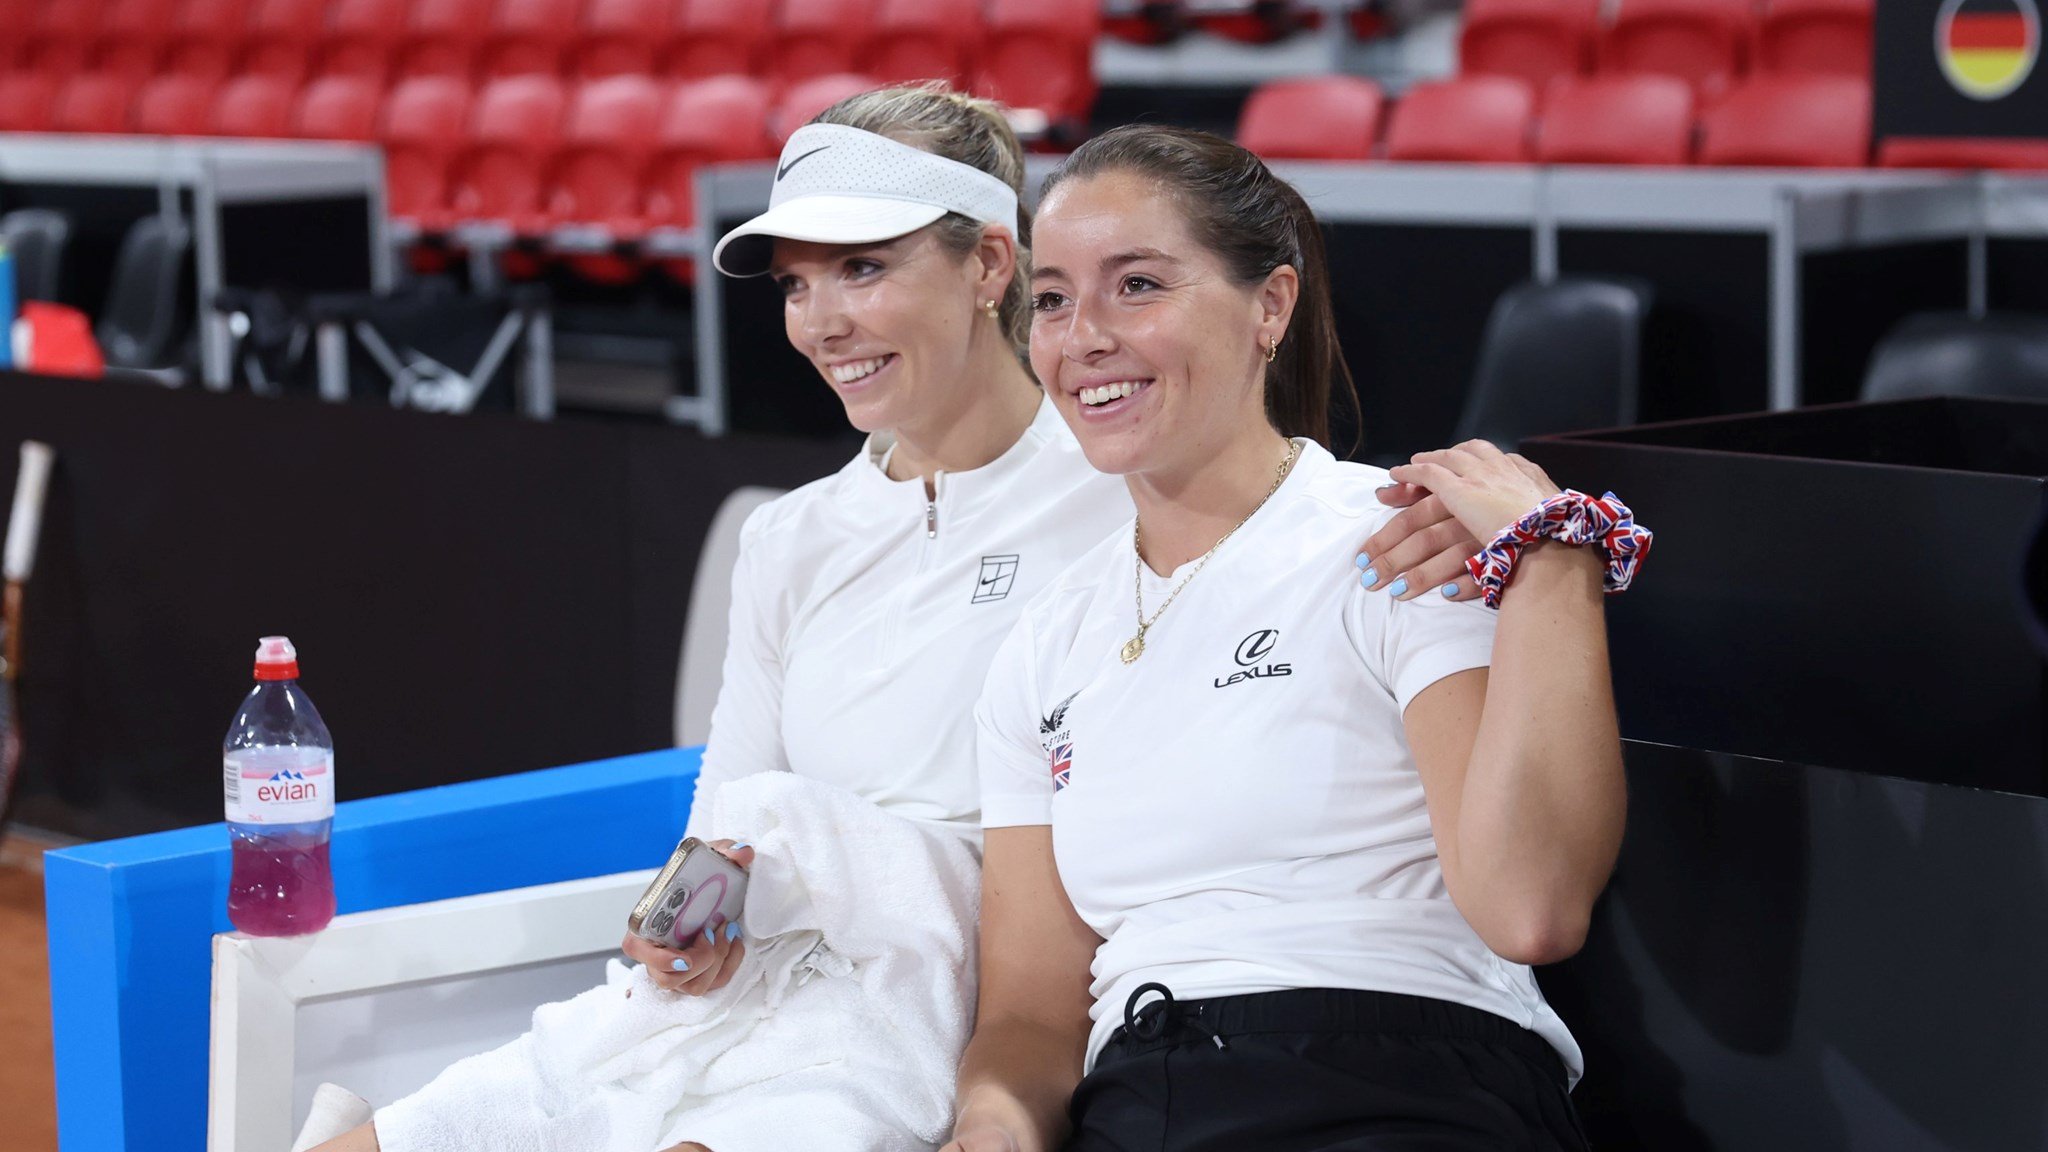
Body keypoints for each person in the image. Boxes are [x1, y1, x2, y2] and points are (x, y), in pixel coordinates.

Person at [307, 87, 1492, 1152]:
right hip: (743, 998)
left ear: (986, 268)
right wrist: (695, 914)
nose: (820, 320)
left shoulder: (1128, 475)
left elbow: (1289, 541)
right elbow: (731, 820)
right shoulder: (788, 540)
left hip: (937, 1019)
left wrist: (1497, 536)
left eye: (860, 269)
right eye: (795, 284)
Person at [949, 125, 1648, 1152]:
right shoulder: (1041, 643)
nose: (1081, 335)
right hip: (1142, 1094)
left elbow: (1529, 909)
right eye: (1050, 299)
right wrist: (993, 1125)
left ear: (1268, 306)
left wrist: (1551, 563)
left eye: (1136, 284)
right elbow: (1028, 1020)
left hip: (1400, 1079)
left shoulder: (1399, 540)